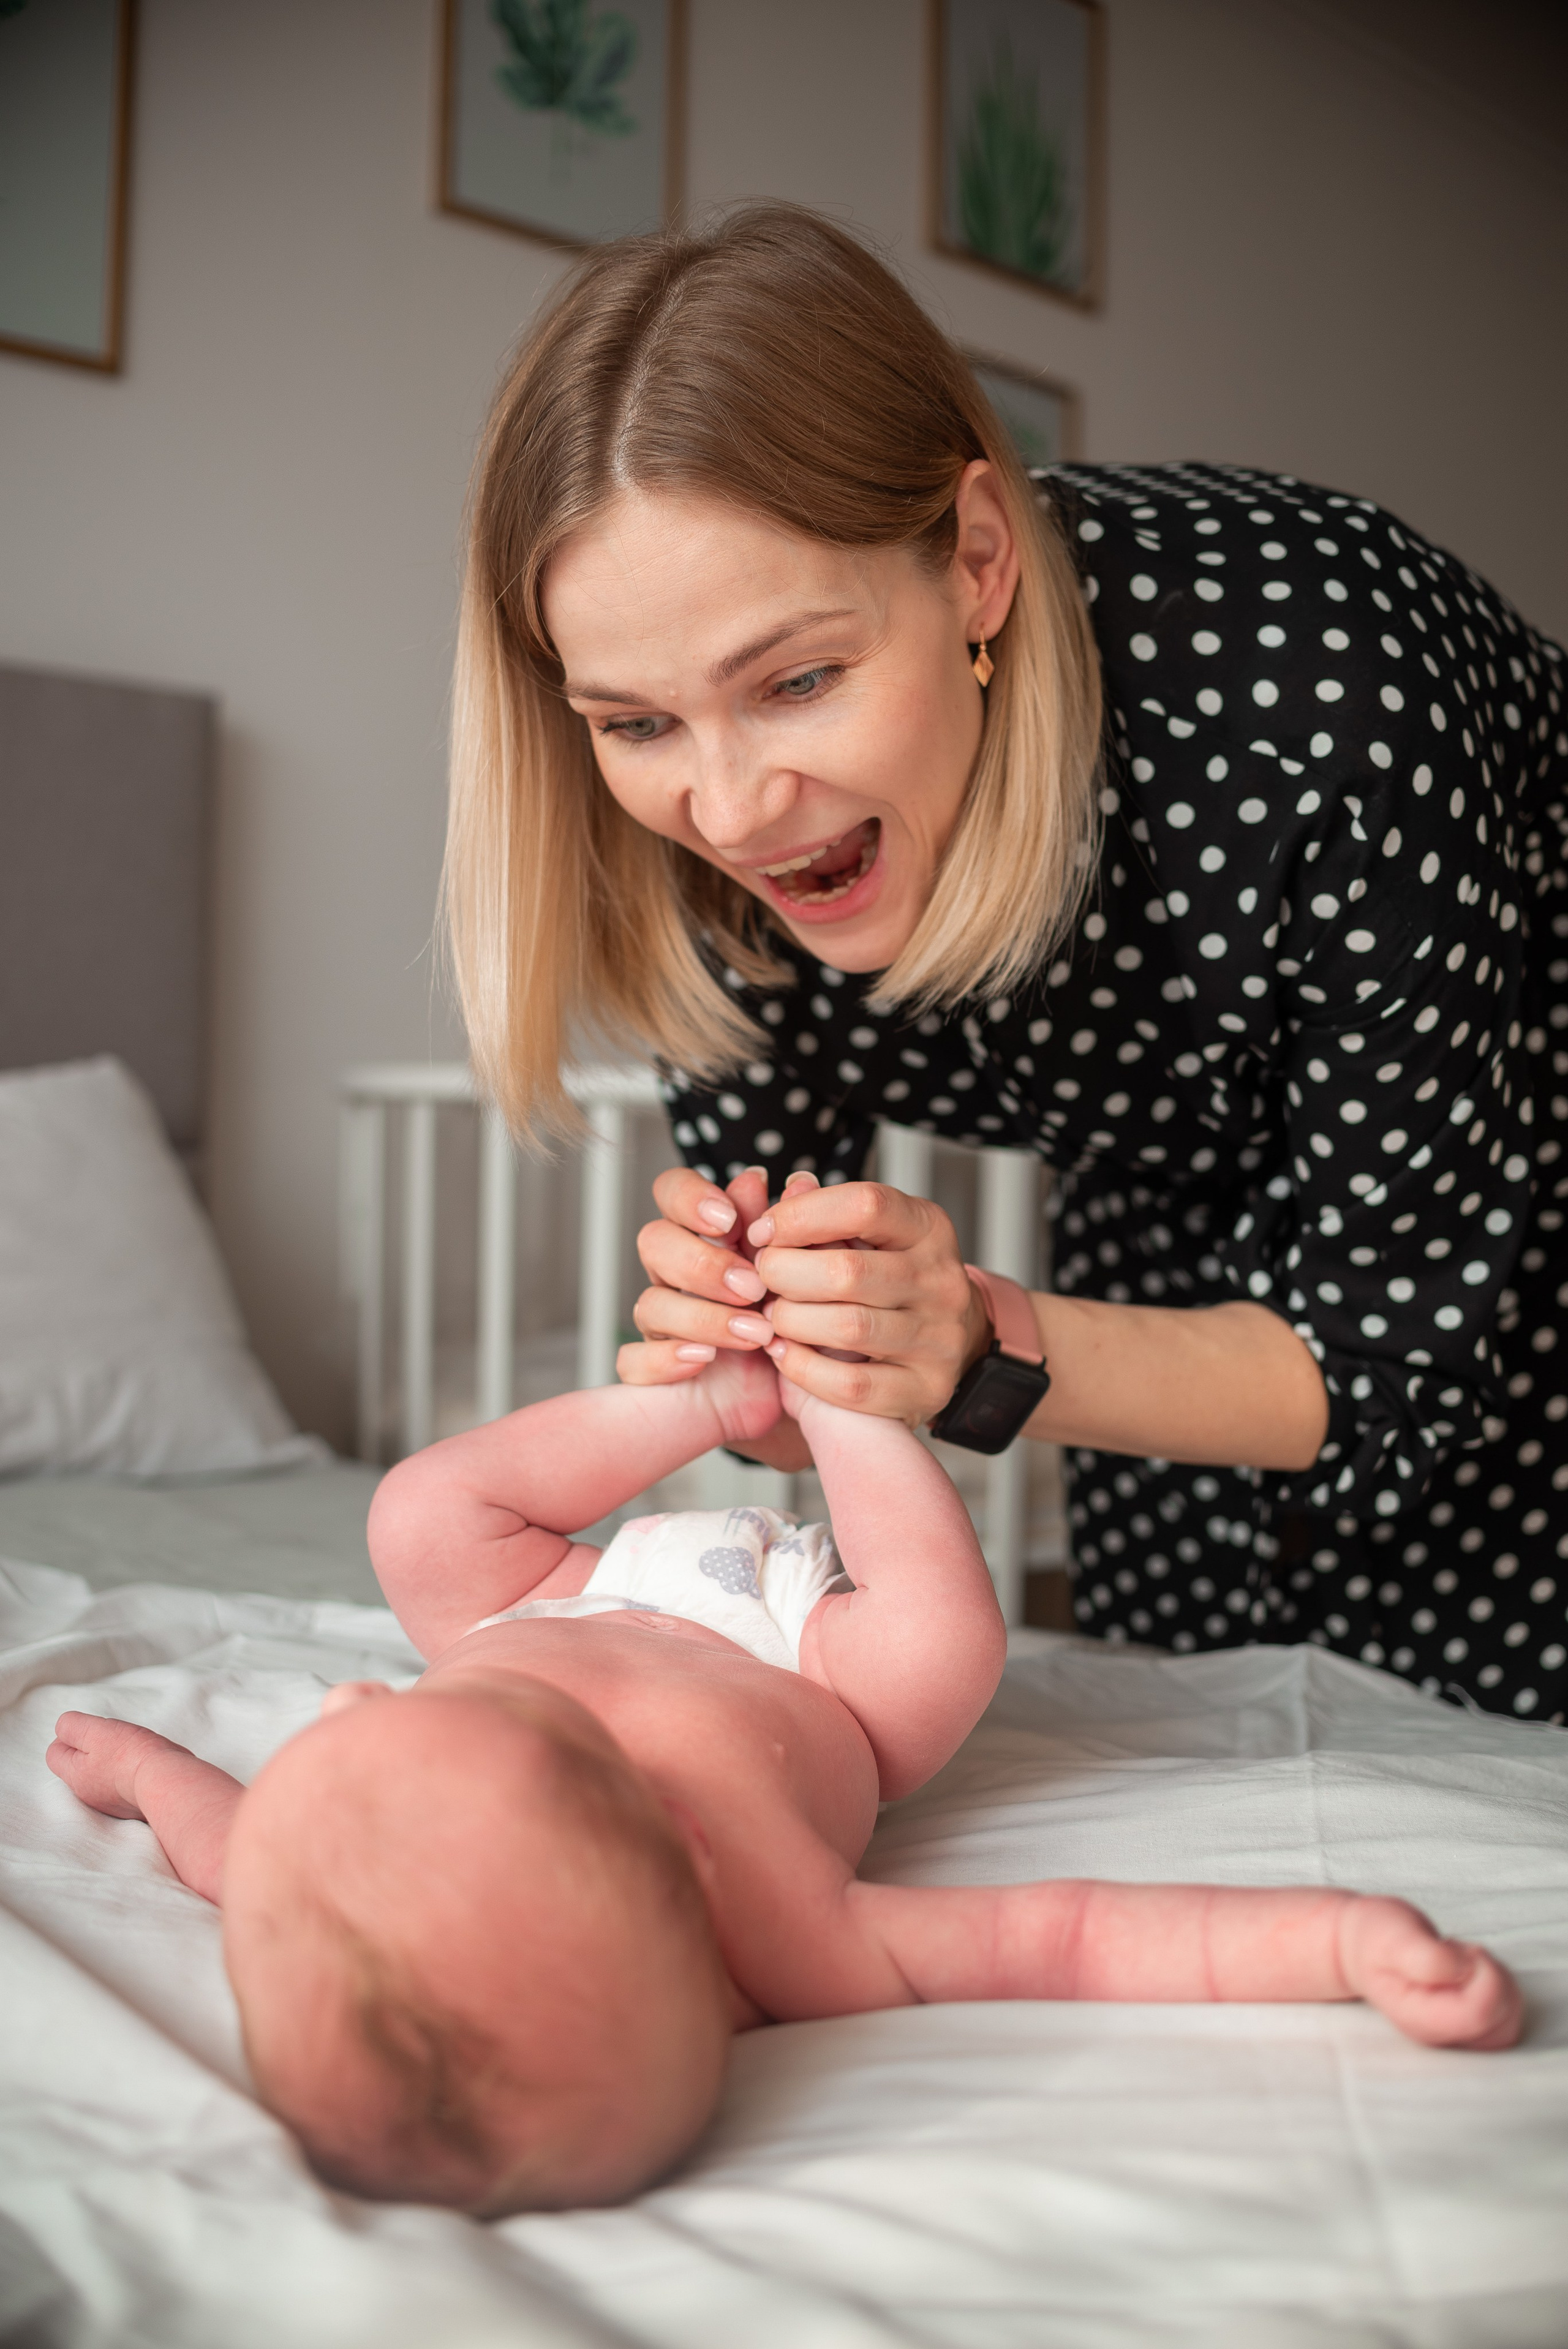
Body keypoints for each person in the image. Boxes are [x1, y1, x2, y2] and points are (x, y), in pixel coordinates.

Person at [442, 201, 1568, 1722]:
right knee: (1204, 1725)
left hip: (1514, 1234)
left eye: (799, 681)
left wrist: (980, 1344)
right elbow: (813, 1367)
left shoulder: (1334, 708)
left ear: (974, 563)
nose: (724, 808)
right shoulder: (702, 831)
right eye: (636, 722)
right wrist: (783, 1343)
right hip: (1162, 1254)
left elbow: (1384, 1368)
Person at [47, 1253, 1522, 2216]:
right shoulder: (795, 1940)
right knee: (937, 1650)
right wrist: (1334, 1947)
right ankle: (847, 1405)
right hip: (800, 1664)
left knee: (414, 1519)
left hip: (560, 1599)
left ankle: (703, 1402)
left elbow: (219, 1841)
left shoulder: (302, 1877)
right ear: (684, 1846)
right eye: (384, 1728)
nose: (348, 1698)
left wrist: (142, 1770)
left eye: (335, 1739)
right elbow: (1068, 1937)